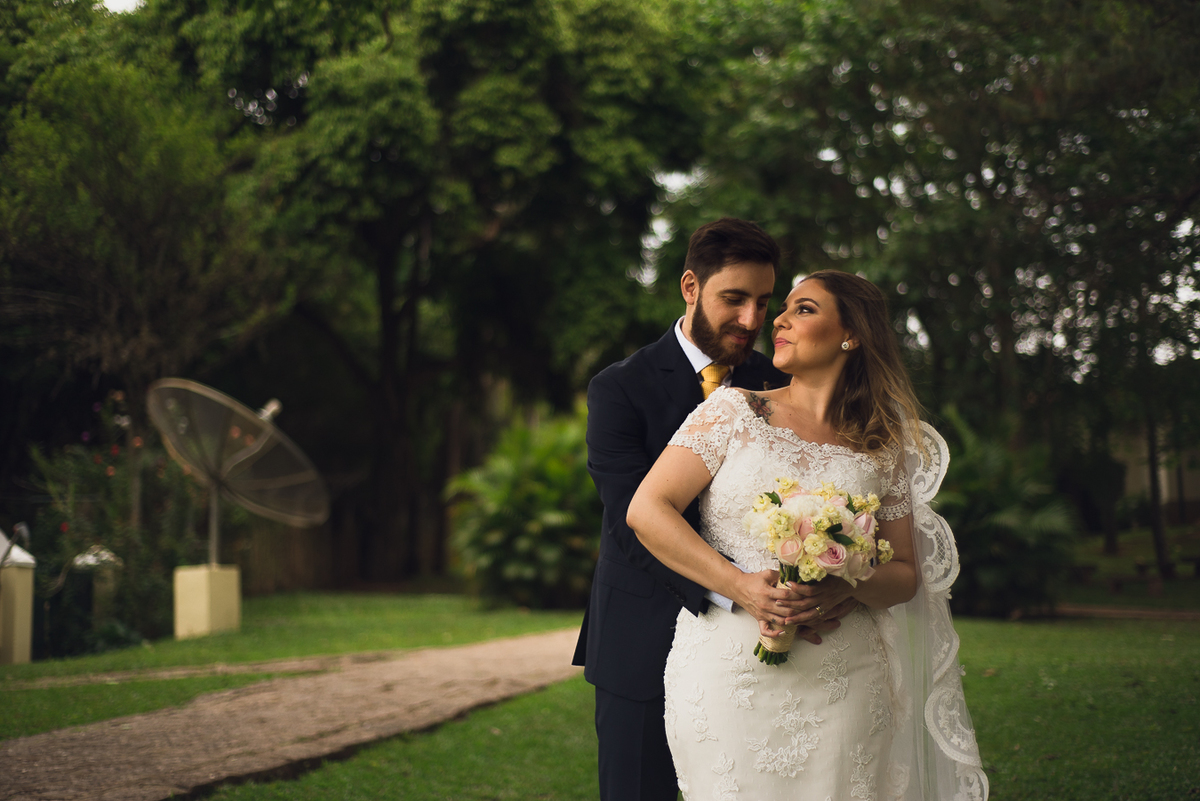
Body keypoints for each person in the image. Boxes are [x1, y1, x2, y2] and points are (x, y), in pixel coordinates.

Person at [627, 270, 989, 800]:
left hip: (846, 677)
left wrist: (848, 583)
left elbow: (905, 574)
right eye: (786, 308)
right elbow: (647, 510)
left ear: (852, 334)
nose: (779, 318)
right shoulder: (734, 410)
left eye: (804, 309)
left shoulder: (879, 446)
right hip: (728, 672)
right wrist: (741, 585)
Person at [572, 219, 856, 801]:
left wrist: (813, 586)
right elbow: (635, 523)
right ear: (690, 287)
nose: (751, 320)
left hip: (769, 651)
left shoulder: (778, 382)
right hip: (641, 642)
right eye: (734, 299)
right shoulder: (618, 389)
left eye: (762, 302)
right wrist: (744, 591)